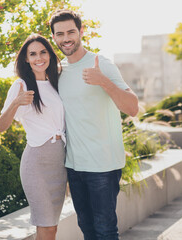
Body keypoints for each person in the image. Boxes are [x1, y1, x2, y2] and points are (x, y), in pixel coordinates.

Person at [49, 10, 139, 240]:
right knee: (87, 229)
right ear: (54, 38)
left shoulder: (101, 64)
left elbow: (132, 108)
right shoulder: (60, 72)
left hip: (103, 165)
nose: (66, 38)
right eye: (60, 34)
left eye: (71, 31)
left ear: (81, 32)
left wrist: (103, 82)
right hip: (74, 165)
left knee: (105, 230)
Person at [0, 34, 66, 240]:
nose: (39, 58)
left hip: (59, 163)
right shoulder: (21, 85)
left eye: (43, 52)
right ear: (26, 59)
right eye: (33, 54)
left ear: (50, 55)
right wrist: (16, 102)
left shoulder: (56, 82)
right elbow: (2, 126)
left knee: (51, 228)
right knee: (45, 225)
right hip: (36, 163)